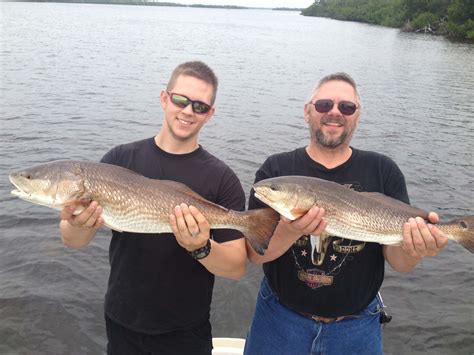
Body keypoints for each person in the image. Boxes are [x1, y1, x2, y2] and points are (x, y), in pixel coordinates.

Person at [243, 72, 449, 354]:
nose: (335, 113)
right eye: (324, 104)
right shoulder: (276, 169)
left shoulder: (383, 170)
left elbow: (400, 263)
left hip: (356, 330)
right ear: (307, 111)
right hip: (279, 320)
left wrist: (416, 248)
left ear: (357, 116)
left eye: (347, 107)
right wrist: (292, 228)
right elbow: (255, 255)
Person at [59, 61, 247, 354]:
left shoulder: (222, 179)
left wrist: (201, 247)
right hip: (123, 321)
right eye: (181, 100)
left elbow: (236, 267)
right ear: (164, 98)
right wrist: (76, 223)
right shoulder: (117, 160)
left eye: (199, 106)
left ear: (210, 114)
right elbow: (72, 241)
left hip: (186, 331)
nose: (187, 111)